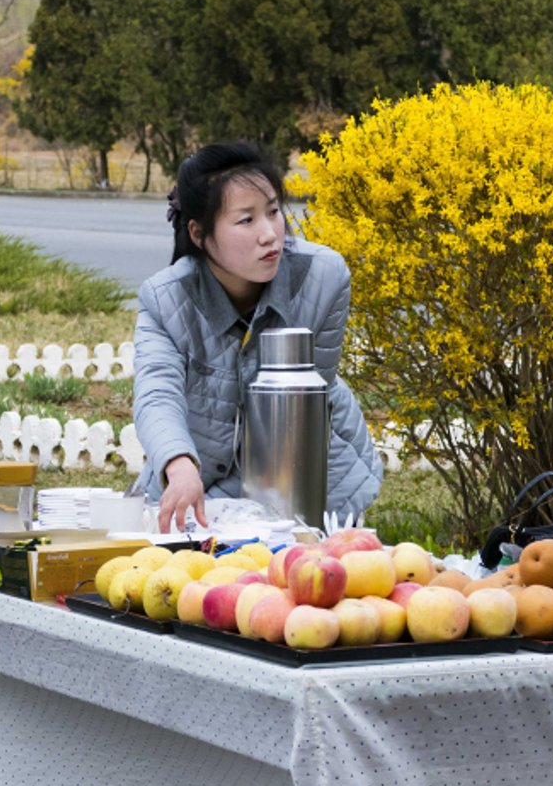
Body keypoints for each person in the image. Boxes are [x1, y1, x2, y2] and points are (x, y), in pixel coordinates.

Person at [131, 142, 383, 533]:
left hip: (306, 475)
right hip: (196, 484)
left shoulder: (324, 278)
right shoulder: (164, 299)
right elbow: (156, 394)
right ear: (198, 233)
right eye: (246, 221)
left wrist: (229, 515)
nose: (270, 234)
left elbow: (307, 402)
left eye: (273, 211)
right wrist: (179, 466)